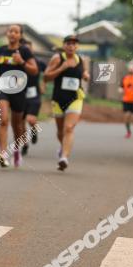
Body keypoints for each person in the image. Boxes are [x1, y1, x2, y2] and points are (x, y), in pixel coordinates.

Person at [0, 25, 38, 168]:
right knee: (3, 120)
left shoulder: (25, 51)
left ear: (20, 35)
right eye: (10, 31)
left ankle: (16, 150)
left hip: (19, 90)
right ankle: (3, 154)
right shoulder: (1, 50)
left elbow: (34, 70)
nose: (12, 34)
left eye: (16, 32)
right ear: (7, 34)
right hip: (2, 88)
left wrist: (22, 61)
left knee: (17, 125)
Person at [44, 34, 89, 171]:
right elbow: (46, 77)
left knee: (69, 128)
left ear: (77, 46)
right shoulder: (57, 58)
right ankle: (63, 147)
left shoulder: (81, 59)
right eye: (68, 43)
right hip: (58, 99)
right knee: (60, 130)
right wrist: (61, 68)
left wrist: (86, 76)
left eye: (74, 44)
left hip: (75, 98)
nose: (71, 46)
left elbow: (85, 73)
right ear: (64, 46)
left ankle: (64, 157)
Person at [21, 39, 46, 155]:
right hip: (20, 94)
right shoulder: (17, 62)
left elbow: (47, 74)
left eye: (28, 49)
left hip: (34, 93)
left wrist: (43, 84)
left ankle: (34, 130)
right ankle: (24, 144)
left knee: (30, 119)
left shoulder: (38, 62)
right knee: (20, 123)